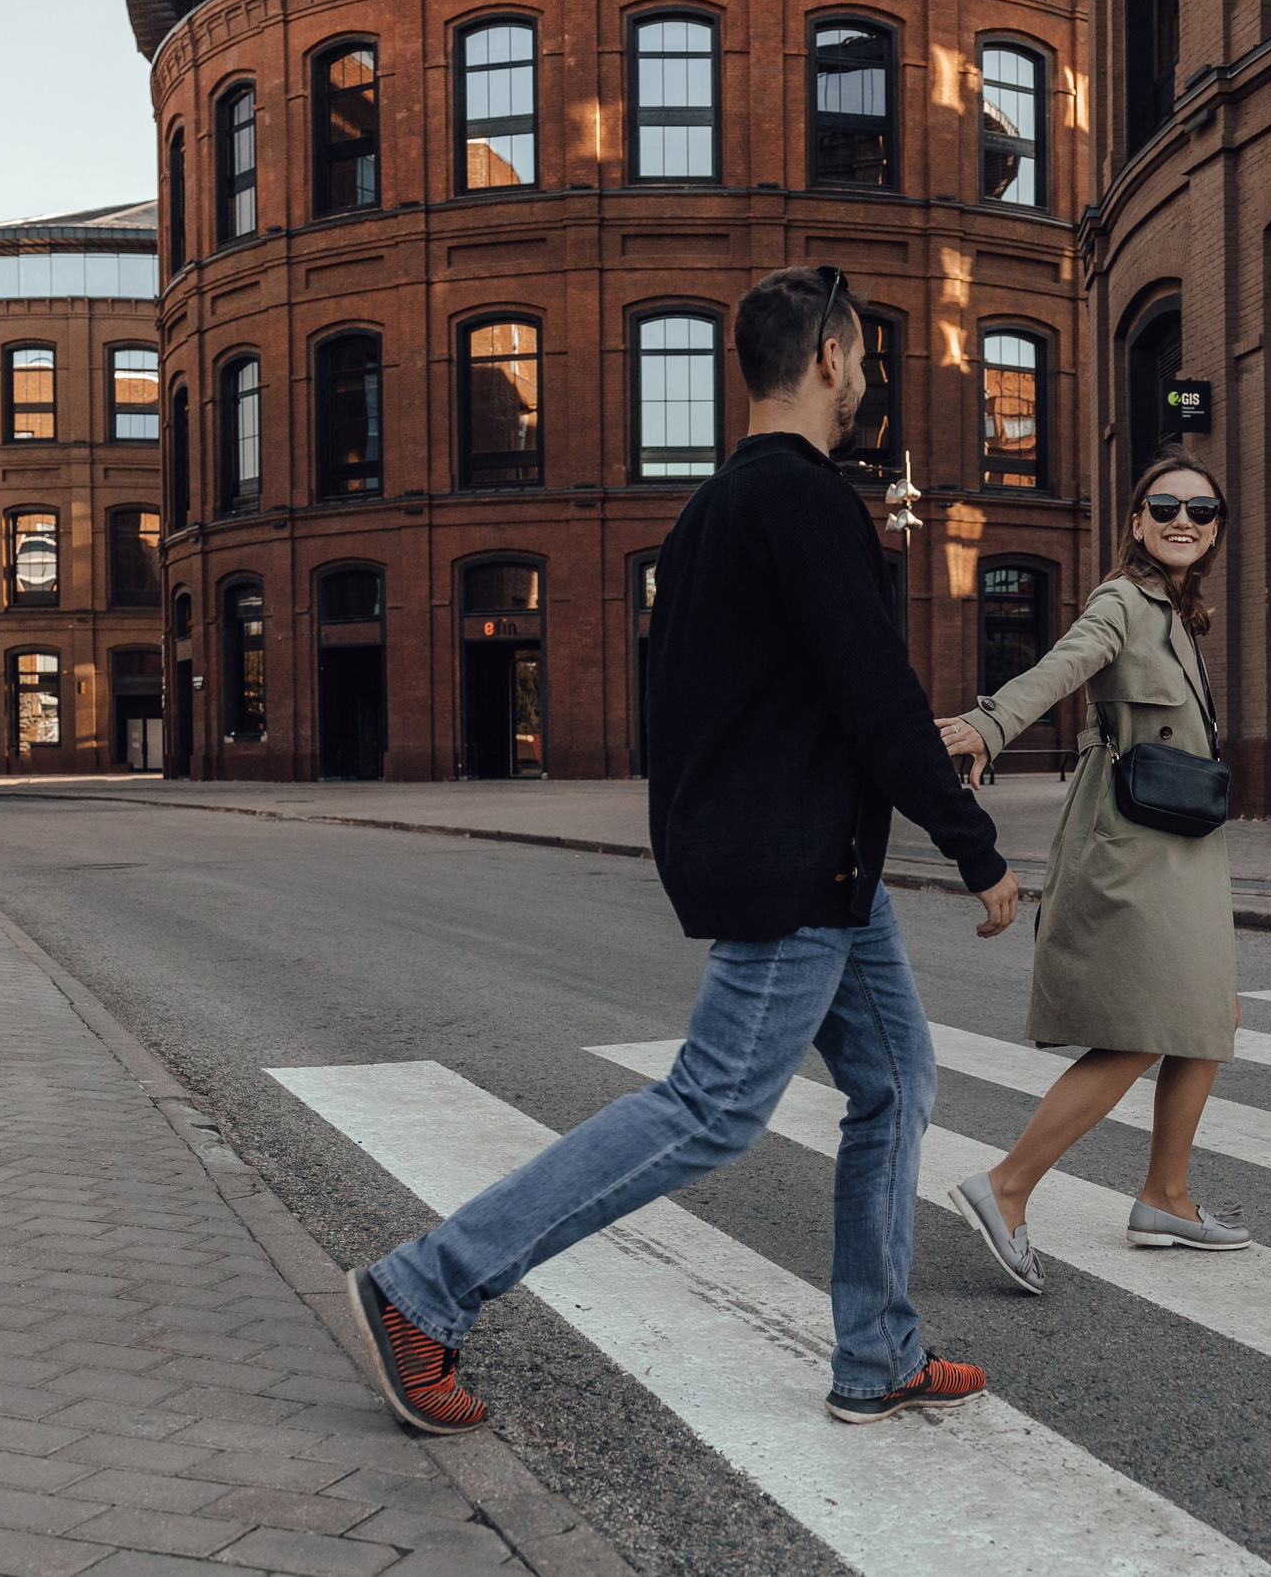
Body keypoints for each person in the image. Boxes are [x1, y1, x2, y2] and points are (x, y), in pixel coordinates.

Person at [348, 266, 1022, 1432]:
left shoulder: (710, 511)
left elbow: (713, 706)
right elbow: (878, 698)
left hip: (817, 865)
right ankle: (427, 1287)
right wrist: (975, 847)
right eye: (860, 356)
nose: (866, 377)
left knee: (898, 1080)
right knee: (708, 1107)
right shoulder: (807, 503)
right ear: (824, 358)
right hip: (798, 863)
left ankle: (876, 1350)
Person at [935, 445, 1248, 1295]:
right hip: (1132, 841)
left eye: (1202, 510)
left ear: (1216, 530)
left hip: (1181, 839)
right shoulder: (1122, 600)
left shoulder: (1179, 615)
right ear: (1138, 521)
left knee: (1209, 1010)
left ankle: (1167, 1196)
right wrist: (990, 723)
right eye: (1167, 506)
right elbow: (1065, 664)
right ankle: (1006, 1188)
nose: (1184, 519)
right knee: (1143, 1028)